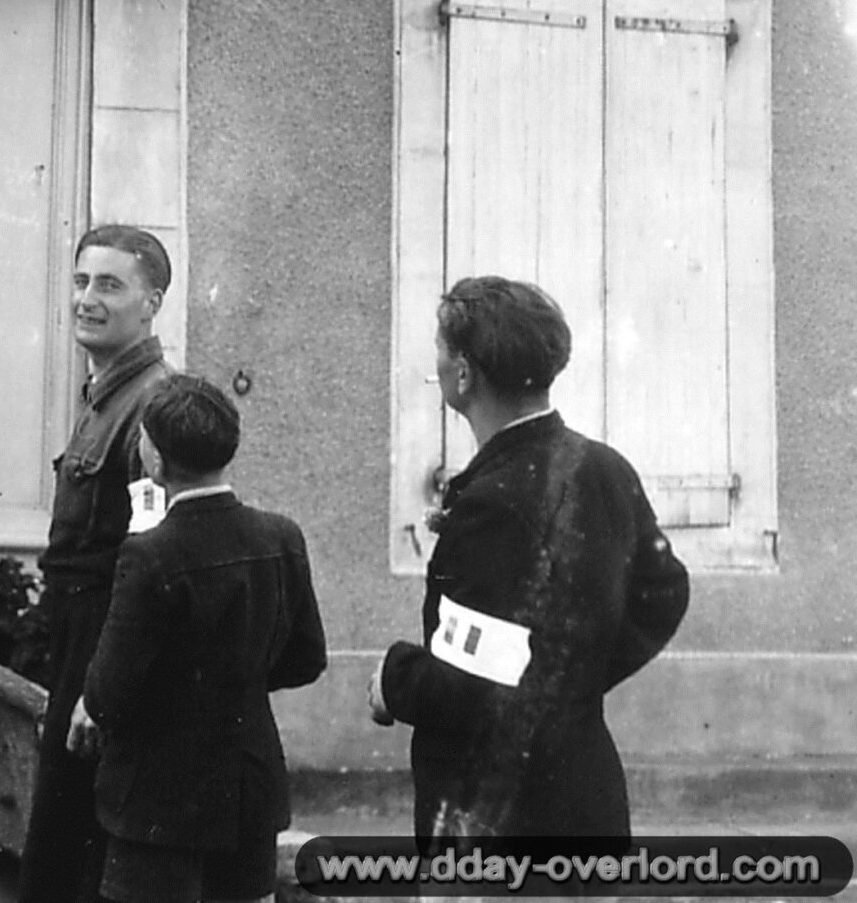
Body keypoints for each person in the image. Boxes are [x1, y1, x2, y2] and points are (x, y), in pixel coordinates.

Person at [370, 277, 690, 843]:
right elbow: (665, 592)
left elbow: (477, 689)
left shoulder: (489, 502)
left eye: (441, 352)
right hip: (586, 798)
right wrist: (573, 675)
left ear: (464, 374)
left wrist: (393, 681)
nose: (438, 365)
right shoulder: (606, 468)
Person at [77, 375, 328, 903]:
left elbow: (106, 695)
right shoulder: (281, 536)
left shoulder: (149, 554)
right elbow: (306, 659)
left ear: (156, 460)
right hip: (249, 786)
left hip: (157, 797)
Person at [23, 223, 174, 903]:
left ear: (152, 303)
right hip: (78, 635)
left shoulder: (153, 408)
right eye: (82, 281)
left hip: (105, 638)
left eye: (110, 285)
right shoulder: (105, 396)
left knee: (79, 846)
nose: (87, 298)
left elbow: (155, 565)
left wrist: (101, 686)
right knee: (63, 836)